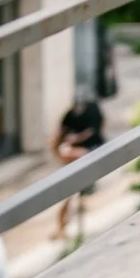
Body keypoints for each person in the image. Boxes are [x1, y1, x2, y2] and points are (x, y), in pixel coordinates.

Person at [53, 97, 105, 239]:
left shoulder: (91, 115)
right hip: (75, 166)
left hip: (82, 160)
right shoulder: (70, 117)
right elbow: (59, 136)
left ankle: (66, 226)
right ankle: (62, 228)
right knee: (70, 196)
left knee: (73, 195)